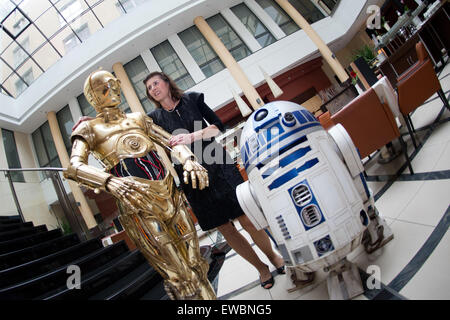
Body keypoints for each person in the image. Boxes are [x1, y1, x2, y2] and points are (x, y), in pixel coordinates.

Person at [65, 69, 216, 300]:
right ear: (93, 97)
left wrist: (189, 159)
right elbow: (74, 167)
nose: (114, 90)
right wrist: (110, 182)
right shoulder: (89, 128)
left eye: (115, 85)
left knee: (196, 263)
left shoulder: (138, 119)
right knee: (180, 276)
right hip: (137, 203)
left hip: (169, 194)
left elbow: (170, 141)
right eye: (105, 88)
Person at [143, 71, 285, 289]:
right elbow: (131, 126)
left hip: (218, 164)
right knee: (225, 229)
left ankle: (274, 257)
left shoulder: (192, 99)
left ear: (166, 83)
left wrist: (191, 136)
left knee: (245, 218)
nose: (153, 88)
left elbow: (218, 126)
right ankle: (261, 268)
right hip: (190, 176)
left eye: (155, 83)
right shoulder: (155, 119)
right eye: (149, 87)